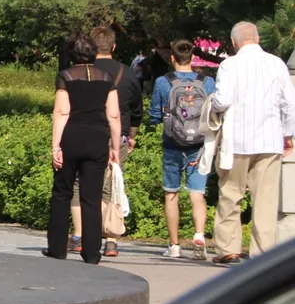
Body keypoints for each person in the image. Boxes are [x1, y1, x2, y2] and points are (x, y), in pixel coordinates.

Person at [206, 22, 295, 265]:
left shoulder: (229, 65)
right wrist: (287, 134)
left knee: (230, 194)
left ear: (234, 42)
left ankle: (228, 249)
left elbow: (222, 101)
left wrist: (212, 107)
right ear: (257, 38)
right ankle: (263, 254)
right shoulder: (276, 64)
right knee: (266, 199)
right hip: (269, 139)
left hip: (237, 140)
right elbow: (289, 103)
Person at [44, 33, 121, 265]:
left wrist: (55, 145)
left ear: (72, 54)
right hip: (97, 138)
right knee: (92, 197)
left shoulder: (66, 76)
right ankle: (91, 252)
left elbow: (61, 112)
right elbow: (114, 115)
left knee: (62, 193)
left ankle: (57, 248)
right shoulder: (107, 77)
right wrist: (115, 147)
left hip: (71, 137)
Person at [69, 25, 141, 258]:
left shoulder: (78, 71)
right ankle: (110, 239)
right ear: (114, 46)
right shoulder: (128, 73)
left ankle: (79, 235)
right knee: (112, 186)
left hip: (85, 132)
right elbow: (136, 109)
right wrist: (132, 136)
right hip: (116, 136)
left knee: (80, 186)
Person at [150, 39, 215, 260]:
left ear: (172, 58)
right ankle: (199, 236)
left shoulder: (162, 82)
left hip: (172, 144)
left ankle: (174, 246)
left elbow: (155, 116)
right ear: (192, 57)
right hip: (199, 145)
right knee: (197, 194)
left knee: (171, 194)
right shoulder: (207, 82)